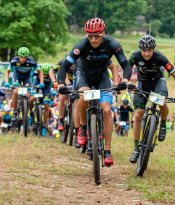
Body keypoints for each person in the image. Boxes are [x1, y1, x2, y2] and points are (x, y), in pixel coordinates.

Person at [56, 18, 133, 166]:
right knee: (83, 96)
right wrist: (60, 85)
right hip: (84, 75)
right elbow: (63, 67)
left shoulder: (113, 44)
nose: (93, 39)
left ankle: (108, 151)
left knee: (106, 110)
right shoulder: (81, 46)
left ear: (103, 33)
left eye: (97, 35)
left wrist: (125, 81)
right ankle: (83, 128)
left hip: (102, 77)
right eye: (90, 35)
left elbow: (125, 65)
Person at [127, 34, 175, 164]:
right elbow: (126, 68)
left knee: (162, 101)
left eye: (149, 51)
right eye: (144, 50)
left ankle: (163, 124)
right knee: (138, 115)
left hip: (158, 82)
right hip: (142, 83)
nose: (147, 54)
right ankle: (136, 149)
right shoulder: (135, 56)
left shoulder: (160, 57)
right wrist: (126, 81)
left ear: (153, 49)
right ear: (140, 49)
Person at [4, 47, 43, 124]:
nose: (22, 59)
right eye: (21, 57)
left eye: (25, 57)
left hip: (27, 77)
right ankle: (14, 112)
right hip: (17, 76)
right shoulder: (14, 60)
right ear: (18, 56)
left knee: (27, 96)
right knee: (15, 92)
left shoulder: (31, 61)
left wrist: (41, 82)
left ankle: (25, 112)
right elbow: (7, 71)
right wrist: (6, 81)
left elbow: (40, 71)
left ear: (27, 57)